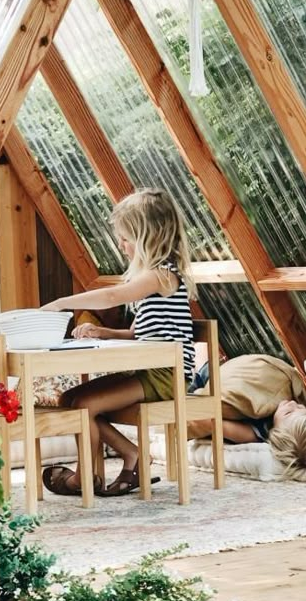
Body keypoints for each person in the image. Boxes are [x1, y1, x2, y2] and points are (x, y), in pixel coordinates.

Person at [39, 187, 195, 497]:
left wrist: (61, 303)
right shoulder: (151, 282)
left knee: (84, 404)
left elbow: (112, 296)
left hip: (167, 375)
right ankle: (133, 455)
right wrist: (104, 333)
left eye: (126, 237)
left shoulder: (162, 275)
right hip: (150, 371)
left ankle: (87, 477)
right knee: (69, 400)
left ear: (148, 236)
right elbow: (141, 334)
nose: (121, 244)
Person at [187, 355, 306, 477]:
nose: (293, 403)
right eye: (301, 407)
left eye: (288, 412)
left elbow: (209, 422)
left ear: (276, 434)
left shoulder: (252, 435)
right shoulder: (285, 410)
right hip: (225, 371)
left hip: (204, 382)